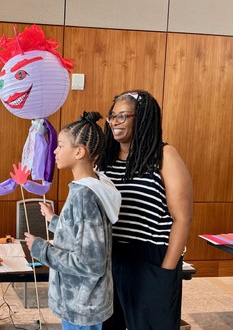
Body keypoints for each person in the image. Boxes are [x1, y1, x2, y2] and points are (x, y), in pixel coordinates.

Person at [98, 90, 193, 330]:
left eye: (123, 116)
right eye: (112, 116)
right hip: (110, 257)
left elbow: (182, 218)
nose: (114, 122)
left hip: (151, 258)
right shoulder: (106, 158)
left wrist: (167, 271)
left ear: (142, 118)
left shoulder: (164, 156)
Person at [24, 112, 122, 330]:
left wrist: (40, 248)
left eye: (60, 146)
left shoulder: (84, 195)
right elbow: (83, 236)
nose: (55, 151)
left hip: (81, 304)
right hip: (86, 300)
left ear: (79, 151)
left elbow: (89, 263)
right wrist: (54, 219)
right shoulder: (96, 184)